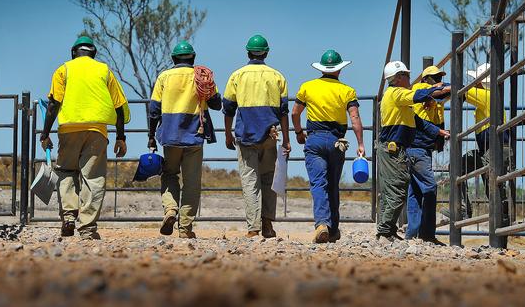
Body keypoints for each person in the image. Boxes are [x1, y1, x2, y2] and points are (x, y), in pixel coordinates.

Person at [41, 36, 130, 240]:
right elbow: (119, 107)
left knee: (65, 172)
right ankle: (88, 228)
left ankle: (69, 216)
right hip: (97, 131)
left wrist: (45, 134)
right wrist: (121, 137)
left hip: (68, 129)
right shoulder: (105, 70)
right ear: (93, 53)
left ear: (73, 52)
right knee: (93, 178)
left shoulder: (63, 70)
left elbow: (54, 103)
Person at [148, 40, 221, 239]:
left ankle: (170, 210)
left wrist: (151, 137)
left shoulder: (164, 77)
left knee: (170, 174)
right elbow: (216, 105)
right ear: (193, 58)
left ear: (173, 59)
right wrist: (209, 89)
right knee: (191, 183)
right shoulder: (202, 77)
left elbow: (154, 110)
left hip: (170, 136)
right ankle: (185, 228)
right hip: (195, 136)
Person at [292, 49, 365, 243]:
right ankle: (333, 230)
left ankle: (321, 224)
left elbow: (295, 113)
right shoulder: (347, 91)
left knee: (318, 183)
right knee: (333, 184)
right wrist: (360, 143)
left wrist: (299, 132)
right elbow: (355, 118)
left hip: (314, 139)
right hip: (336, 141)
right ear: (339, 70)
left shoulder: (307, 87)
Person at [223, 34, 291, 238]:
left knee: (249, 180)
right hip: (270, 136)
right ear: (267, 53)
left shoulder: (237, 76)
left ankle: (253, 227)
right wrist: (286, 139)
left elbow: (228, 109)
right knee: (269, 180)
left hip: (245, 136)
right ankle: (268, 226)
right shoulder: (277, 76)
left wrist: (228, 135)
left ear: (247, 52)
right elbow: (283, 112)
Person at [377, 61, 450, 242]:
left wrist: (437, 131)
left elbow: (418, 121)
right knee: (397, 190)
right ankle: (385, 231)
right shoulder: (397, 93)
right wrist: (436, 90)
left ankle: (389, 230)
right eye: (407, 75)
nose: (410, 79)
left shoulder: (396, 96)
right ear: (399, 77)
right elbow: (418, 95)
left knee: (397, 189)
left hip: (396, 148)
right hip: (393, 148)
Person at [457, 63, 513, 226]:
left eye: (476, 80)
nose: (474, 83)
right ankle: (463, 209)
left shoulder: (487, 95)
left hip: (497, 149)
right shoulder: (489, 96)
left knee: (493, 184)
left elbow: (460, 91)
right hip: (490, 149)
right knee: (458, 166)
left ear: (482, 82)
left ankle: (502, 217)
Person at [406, 65, 449, 245]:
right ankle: (427, 234)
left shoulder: (435, 100)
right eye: (434, 77)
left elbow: (444, 92)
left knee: (415, 190)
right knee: (430, 188)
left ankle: (413, 233)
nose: (437, 80)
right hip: (417, 148)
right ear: (424, 79)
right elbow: (444, 89)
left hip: (422, 148)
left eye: (439, 76)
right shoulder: (418, 89)